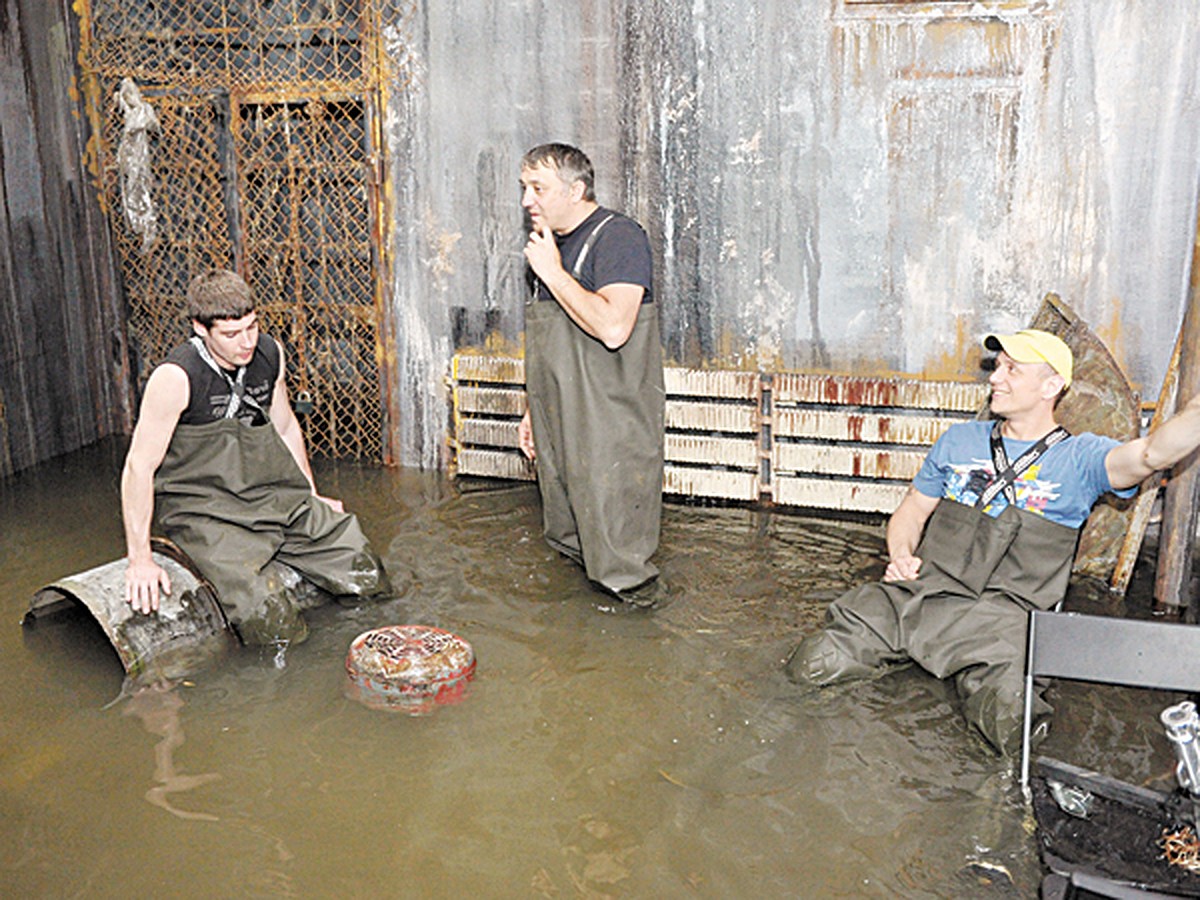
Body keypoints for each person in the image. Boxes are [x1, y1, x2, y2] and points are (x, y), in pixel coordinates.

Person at [784, 328, 1200, 754]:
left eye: (1012, 370)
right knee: (815, 661)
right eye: (997, 366)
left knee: (1009, 720)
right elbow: (913, 507)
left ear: (1051, 386)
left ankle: (1005, 803)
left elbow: (1151, 455)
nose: (995, 378)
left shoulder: (1081, 459)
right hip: (924, 592)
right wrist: (902, 555)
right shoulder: (959, 440)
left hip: (1006, 613)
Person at [121, 268, 391, 645]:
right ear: (201, 328)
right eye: (231, 334)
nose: (246, 342)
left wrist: (309, 495)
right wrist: (141, 559)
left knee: (361, 563)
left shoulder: (269, 353)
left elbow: (284, 427)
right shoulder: (176, 378)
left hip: (271, 496)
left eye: (251, 327)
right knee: (269, 615)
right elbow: (139, 467)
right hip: (207, 512)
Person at [516, 142, 666, 606]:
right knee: (568, 541)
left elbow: (615, 327)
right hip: (560, 419)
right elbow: (551, 346)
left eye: (538, 188)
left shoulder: (618, 237)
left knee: (620, 559)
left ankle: (634, 651)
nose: (527, 201)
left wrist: (555, 274)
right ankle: (577, 646)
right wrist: (532, 411)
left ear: (576, 189)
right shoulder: (551, 249)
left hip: (610, 424)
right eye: (524, 188)